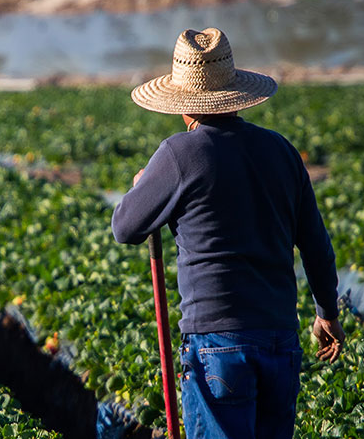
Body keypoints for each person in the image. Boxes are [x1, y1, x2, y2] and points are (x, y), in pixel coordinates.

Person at [111, 28, 344, 439]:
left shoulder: (179, 154)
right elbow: (315, 245)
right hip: (280, 339)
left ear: (184, 106)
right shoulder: (281, 151)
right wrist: (327, 312)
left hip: (216, 343)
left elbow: (125, 227)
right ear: (235, 95)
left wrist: (141, 185)